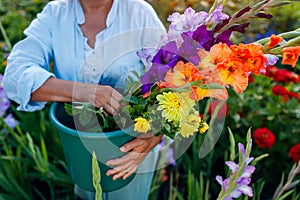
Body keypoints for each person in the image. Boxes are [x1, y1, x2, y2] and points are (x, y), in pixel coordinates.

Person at [3, 0, 166, 199]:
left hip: (131, 148)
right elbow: (15, 74)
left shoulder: (139, 13)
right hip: (79, 145)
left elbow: (173, 79)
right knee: (86, 193)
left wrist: (155, 134)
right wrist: (82, 91)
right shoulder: (55, 14)